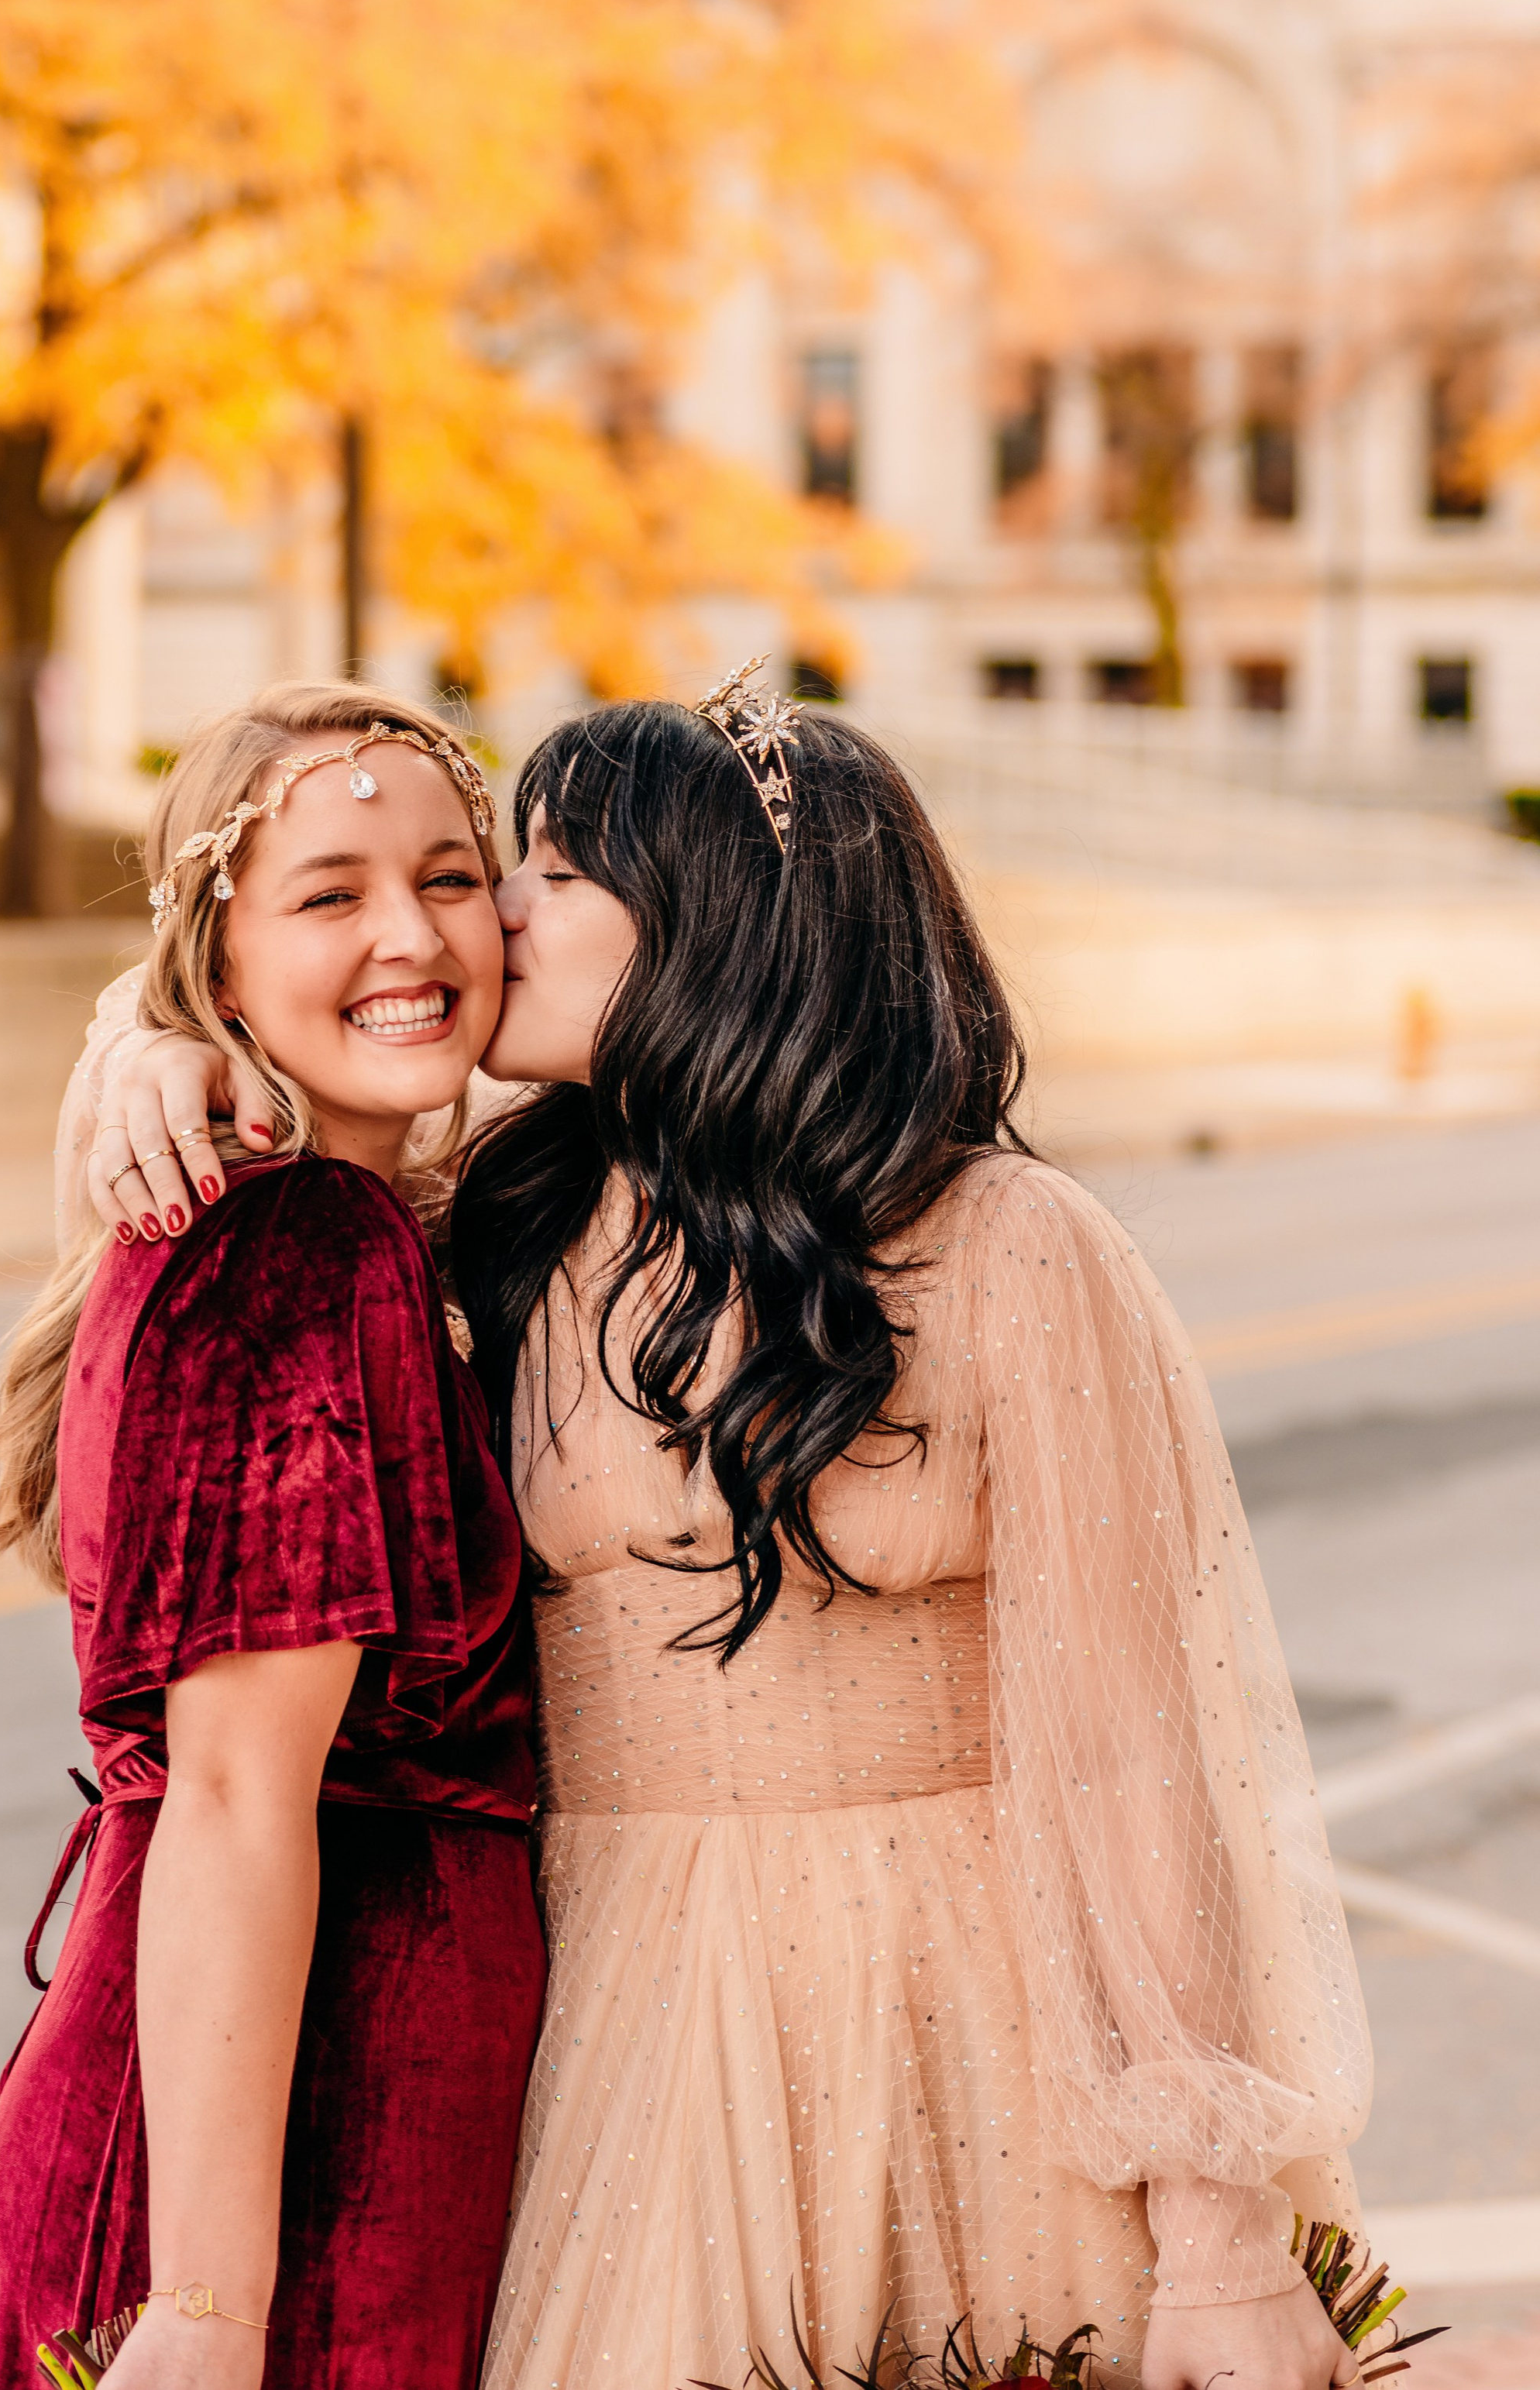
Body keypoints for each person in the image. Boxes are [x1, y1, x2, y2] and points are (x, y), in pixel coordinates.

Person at [77, 666, 1373, 2390]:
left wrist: (1211, 2221)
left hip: (957, 2019)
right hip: (605, 2016)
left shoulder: (1004, 1243)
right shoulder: (496, 1229)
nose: (492, 915)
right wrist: (143, 1040)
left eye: (546, 868)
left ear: (711, 925)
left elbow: (1133, 1753)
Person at [0, 683, 544, 2390]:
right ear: (219, 967)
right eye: (328, 892)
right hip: (286, 2180)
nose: (407, 936)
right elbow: (228, 1792)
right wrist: (207, 2311)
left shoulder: (352, 1219)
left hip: (310, 2140)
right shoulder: (293, 1244)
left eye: (449, 878)